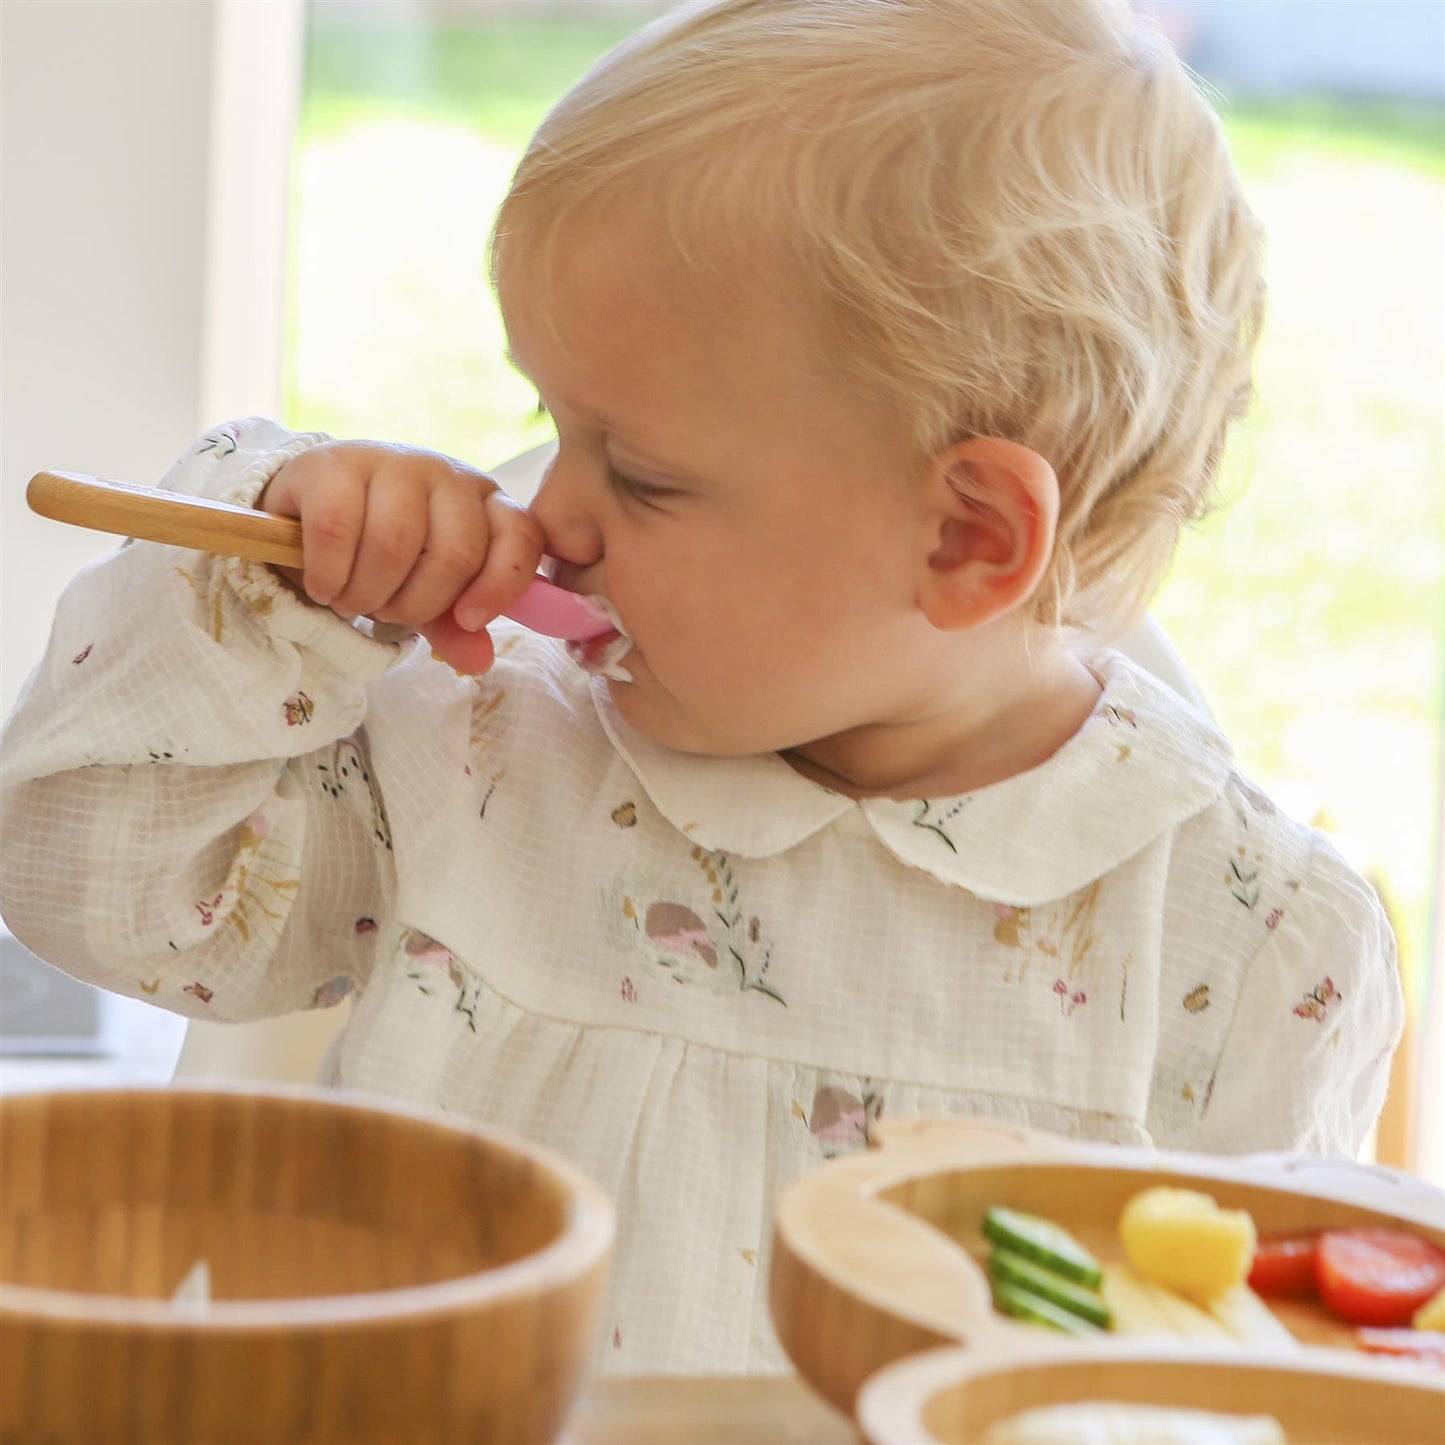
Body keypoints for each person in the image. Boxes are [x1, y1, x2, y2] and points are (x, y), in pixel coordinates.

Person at [0, 0, 1403, 1374]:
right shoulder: (479, 743)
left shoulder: (1248, 949)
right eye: (553, 423)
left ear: (966, 538)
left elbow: (1247, 1390)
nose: (547, 509)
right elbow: (89, 886)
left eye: (644, 474)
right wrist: (268, 594)